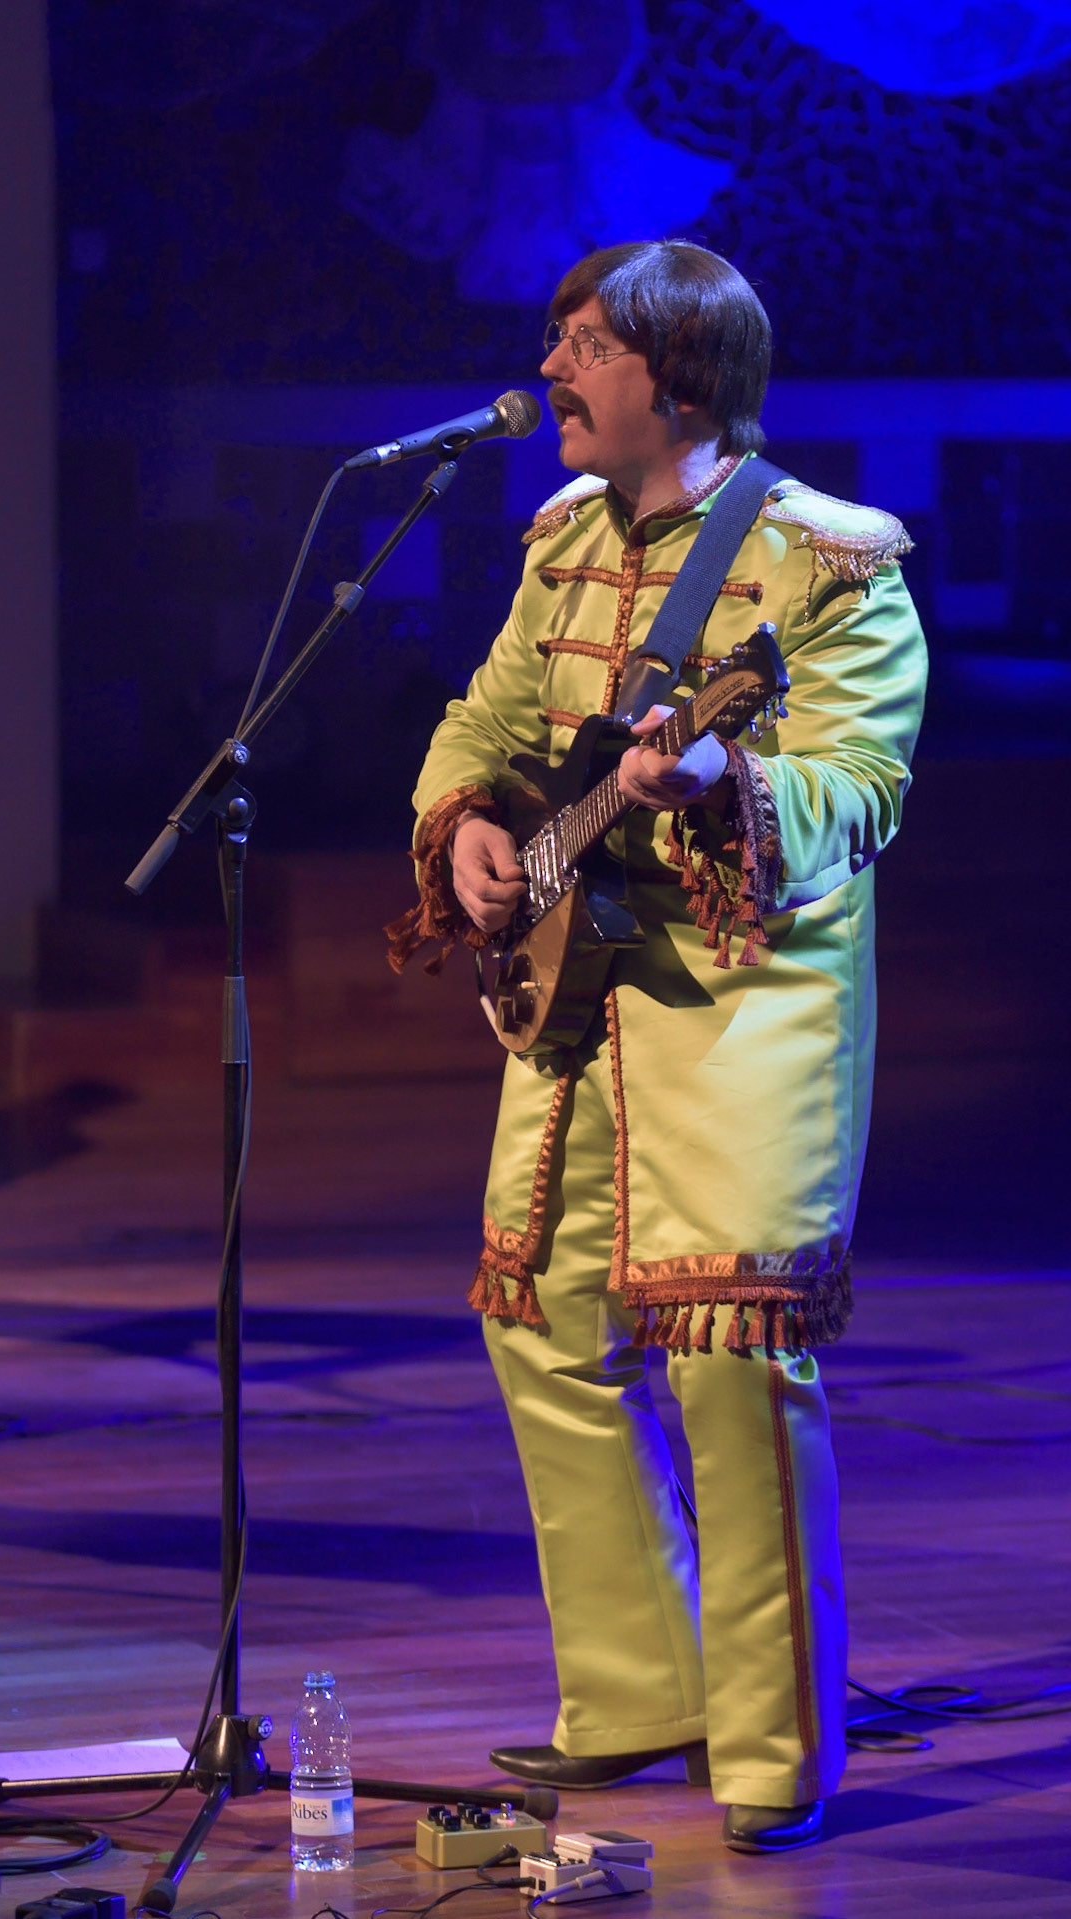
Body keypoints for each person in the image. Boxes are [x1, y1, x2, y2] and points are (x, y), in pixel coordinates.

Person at [388, 240, 927, 1853]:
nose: (552, 366)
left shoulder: (829, 560)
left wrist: (724, 783)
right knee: (546, 1322)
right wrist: (469, 824)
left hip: (745, 1011)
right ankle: (640, 1694)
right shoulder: (562, 538)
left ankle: (773, 1748)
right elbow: (487, 720)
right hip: (575, 1000)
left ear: (679, 379)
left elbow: (863, 788)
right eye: (556, 337)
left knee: (733, 1361)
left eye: (587, 343)